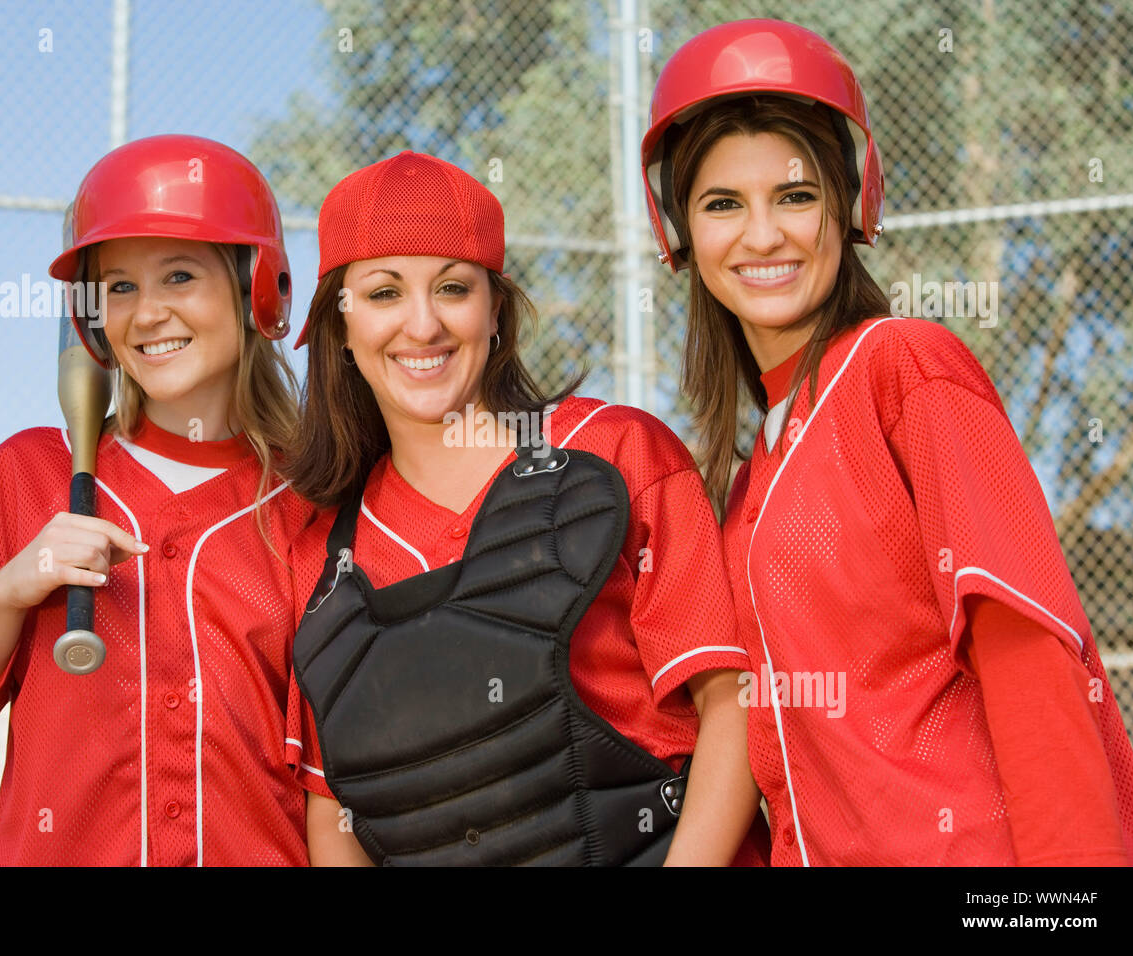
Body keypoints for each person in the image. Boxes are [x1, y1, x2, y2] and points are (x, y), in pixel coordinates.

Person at [642, 18, 1133, 865]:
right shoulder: (750, 476)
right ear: (683, 235)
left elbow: (1028, 655)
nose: (763, 235)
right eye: (723, 203)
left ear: (850, 204)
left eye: (796, 196)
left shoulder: (903, 366)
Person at [282, 150, 770, 866]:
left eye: (453, 288)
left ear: (496, 312)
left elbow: (730, 701)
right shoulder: (327, 554)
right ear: (340, 329)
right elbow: (336, 812)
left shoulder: (612, 453)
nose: (422, 326)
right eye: (384, 294)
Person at [0, 134, 316, 866]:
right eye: (118, 287)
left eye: (179, 276)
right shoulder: (28, 475)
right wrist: (7, 595)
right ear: (91, 319)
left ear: (257, 290)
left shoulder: (310, 502)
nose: (146, 313)